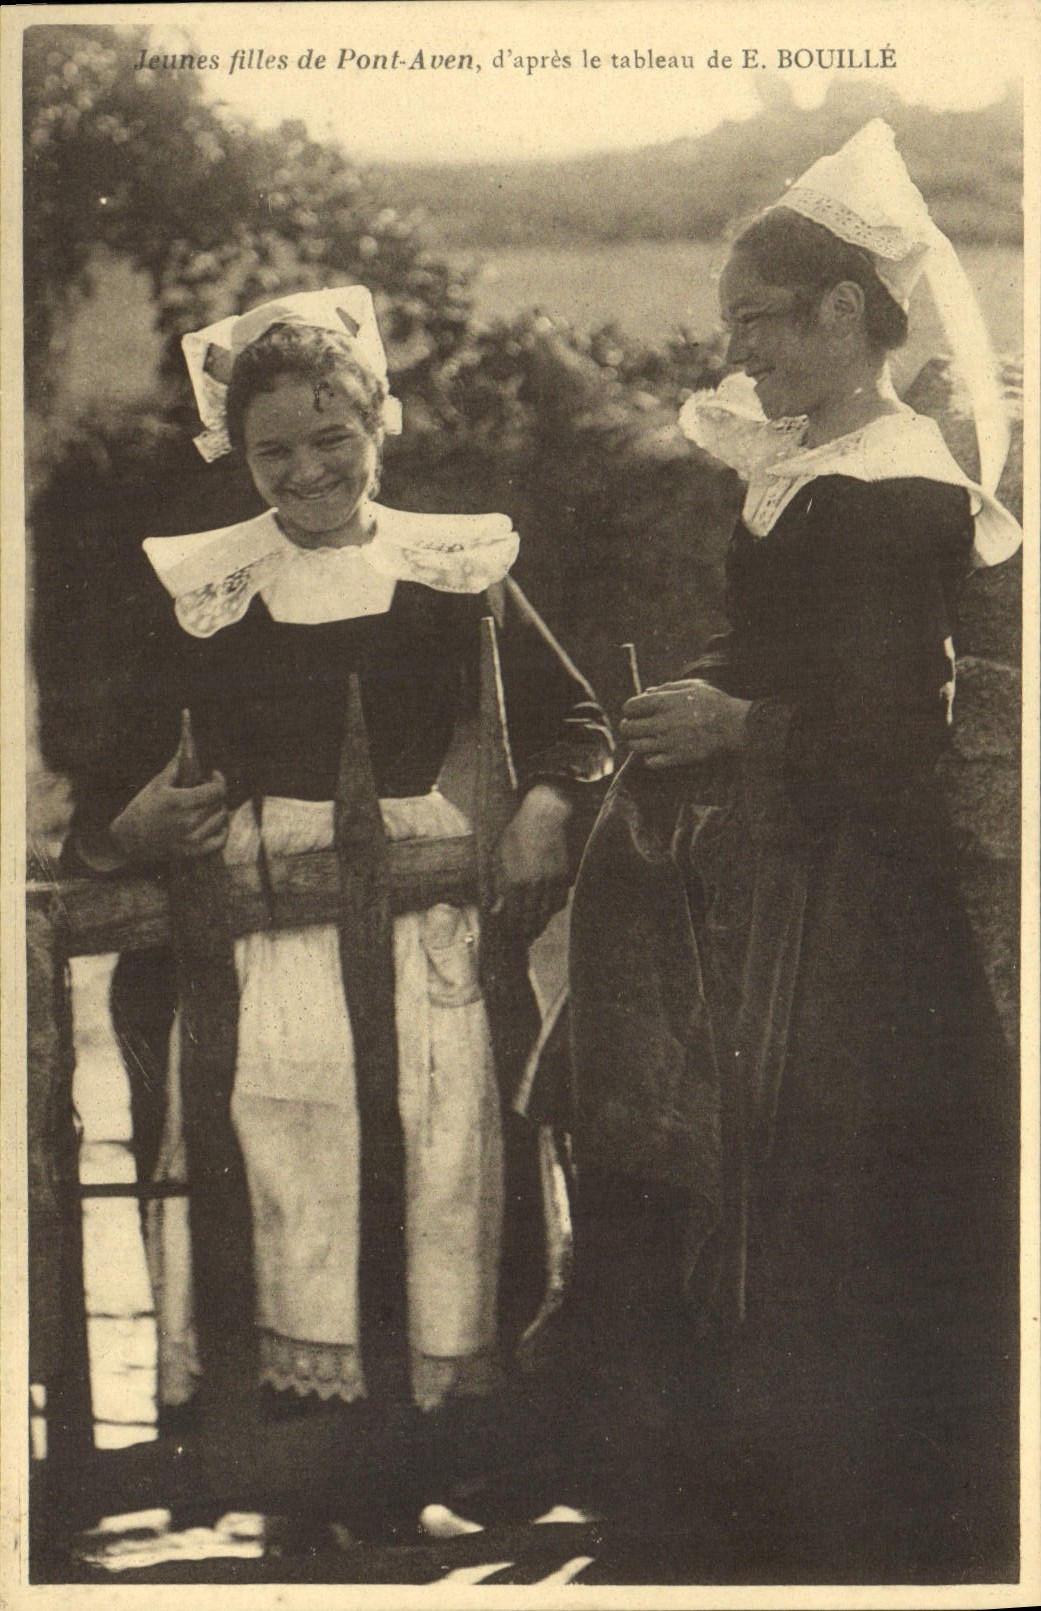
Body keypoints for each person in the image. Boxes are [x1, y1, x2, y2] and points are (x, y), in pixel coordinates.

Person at [62, 286, 613, 1523]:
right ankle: (306, 1467)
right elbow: (112, 777)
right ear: (238, 455)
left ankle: (448, 1450)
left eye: (332, 440)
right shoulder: (209, 591)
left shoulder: (453, 565)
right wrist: (130, 826)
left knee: (442, 1147)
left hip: (424, 916)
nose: (308, 472)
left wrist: (547, 802)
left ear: (380, 427)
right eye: (275, 452)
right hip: (267, 929)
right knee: (287, 1147)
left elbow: (573, 715)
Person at [567, 122, 1022, 1580]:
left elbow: (892, 730)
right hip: (774, 880)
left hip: (855, 913)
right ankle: (741, 1500)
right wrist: (684, 703)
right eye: (733, 327)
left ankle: (857, 1518)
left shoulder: (896, 486)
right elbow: (782, 653)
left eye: (761, 322)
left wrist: (735, 723)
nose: (741, 353)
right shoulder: (801, 469)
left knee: (827, 1196)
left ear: (845, 314)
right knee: (725, 1175)